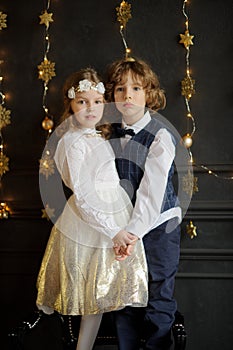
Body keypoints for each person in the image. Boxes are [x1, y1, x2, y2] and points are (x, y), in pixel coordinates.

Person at [36, 67, 148, 350]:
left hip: (110, 215)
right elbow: (84, 197)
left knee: (97, 299)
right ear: (70, 103)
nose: (91, 108)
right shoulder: (72, 142)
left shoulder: (94, 136)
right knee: (92, 297)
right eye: (82, 101)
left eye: (97, 102)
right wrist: (114, 232)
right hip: (91, 224)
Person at [104, 57, 184, 350]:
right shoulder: (108, 134)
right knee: (125, 296)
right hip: (124, 228)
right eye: (121, 89)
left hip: (159, 225)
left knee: (158, 294)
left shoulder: (160, 136)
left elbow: (151, 194)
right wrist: (118, 231)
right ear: (112, 95)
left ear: (149, 94)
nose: (128, 96)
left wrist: (131, 234)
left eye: (136, 88)